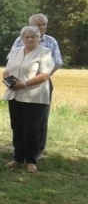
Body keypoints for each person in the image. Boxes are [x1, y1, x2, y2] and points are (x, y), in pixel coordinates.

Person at [3, 25, 54, 173]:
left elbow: (45, 74)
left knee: (32, 129)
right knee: (17, 127)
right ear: (22, 39)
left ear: (39, 38)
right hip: (14, 95)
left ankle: (31, 160)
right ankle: (18, 157)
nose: (30, 39)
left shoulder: (44, 52)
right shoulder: (16, 51)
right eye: (27, 37)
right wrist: (9, 82)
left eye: (33, 37)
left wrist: (24, 84)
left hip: (34, 97)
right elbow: (6, 71)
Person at [12, 13, 62, 160]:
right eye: (36, 25)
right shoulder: (20, 40)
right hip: (19, 85)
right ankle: (20, 153)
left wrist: (41, 76)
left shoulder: (51, 41)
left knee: (40, 120)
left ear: (46, 26)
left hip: (42, 84)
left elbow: (58, 62)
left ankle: (37, 151)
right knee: (19, 121)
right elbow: (12, 59)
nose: (39, 28)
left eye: (42, 25)